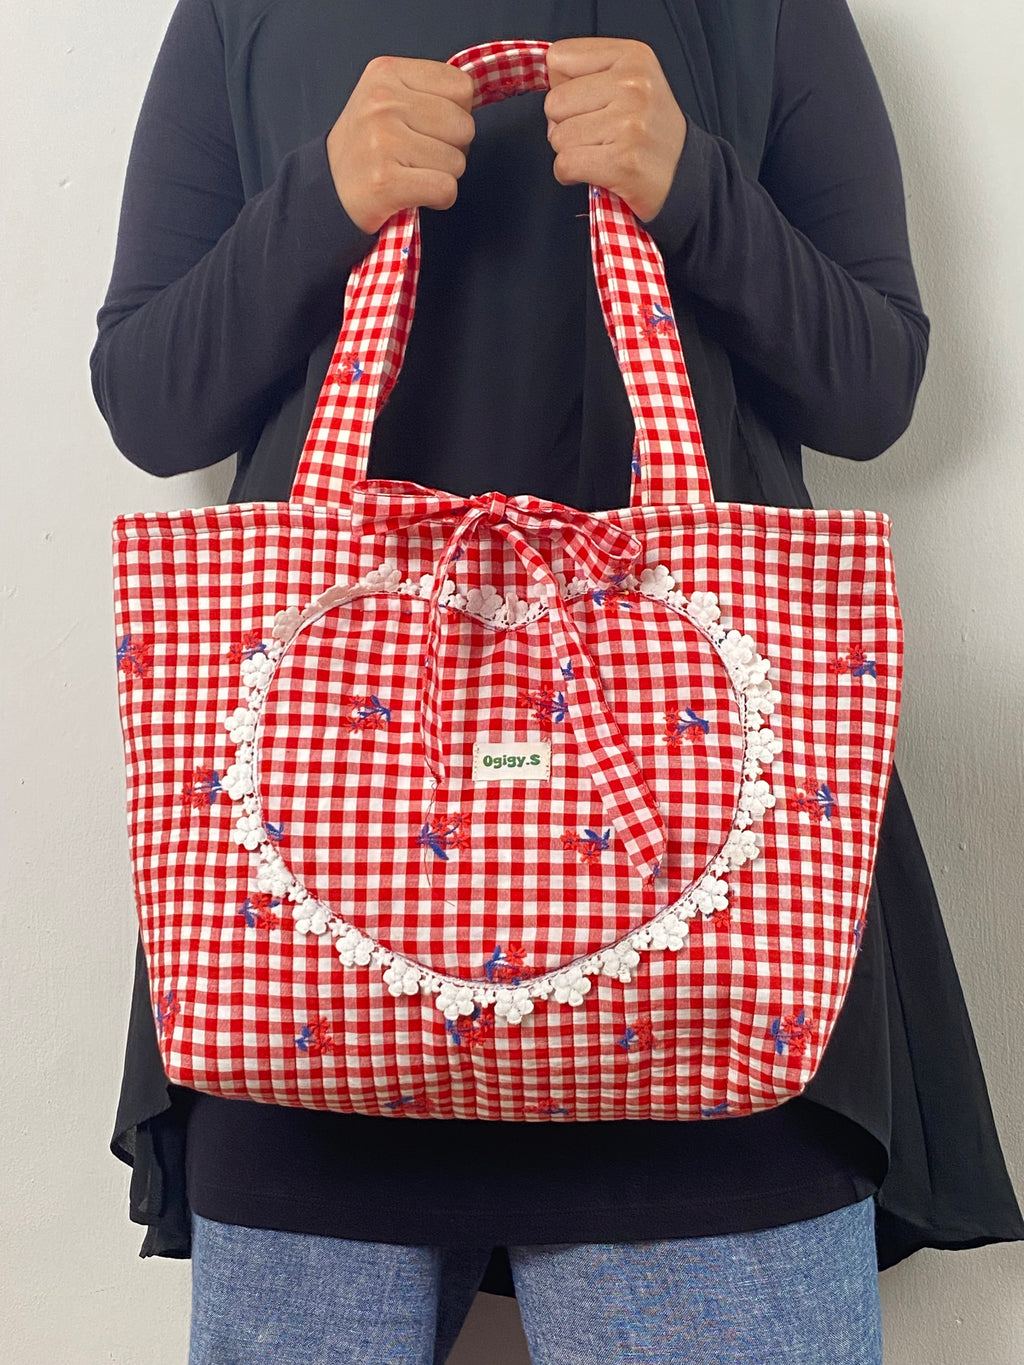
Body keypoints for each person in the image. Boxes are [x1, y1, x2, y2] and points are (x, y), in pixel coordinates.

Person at [92, 2, 1023, 1361]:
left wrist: (694, 188)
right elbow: (149, 399)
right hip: (312, 931)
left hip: (710, 921)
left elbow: (871, 385)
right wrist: (324, 198)